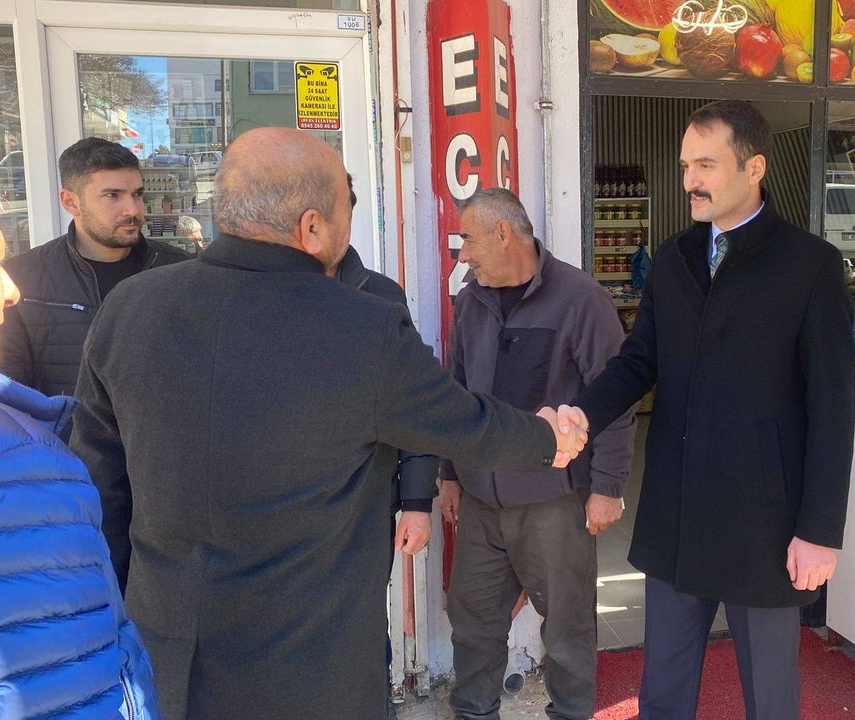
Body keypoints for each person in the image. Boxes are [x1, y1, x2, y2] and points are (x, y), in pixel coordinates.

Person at [68, 127, 587, 720]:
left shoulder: (128, 308)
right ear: (312, 227)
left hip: (164, 654)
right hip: (312, 664)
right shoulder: (363, 327)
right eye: (345, 211)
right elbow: (463, 423)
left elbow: (97, 490)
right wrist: (549, 437)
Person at [560, 99, 855, 719]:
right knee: (663, 694)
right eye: (685, 166)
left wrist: (820, 530)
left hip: (766, 523)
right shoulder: (672, 259)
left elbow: (833, 409)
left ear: (755, 168)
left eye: (705, 165)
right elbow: (638, 361)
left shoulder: (810, 266)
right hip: (677, 514)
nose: (689, 180)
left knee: (771, 698)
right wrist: (582, 415)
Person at [0, 151, 159, 719]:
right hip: (65, 491)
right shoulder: (0, 466)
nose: (9, 290)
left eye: (137, 193)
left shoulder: (172, 273)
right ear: (69, 202)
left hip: (146, 499)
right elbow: (31, 691)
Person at [439, 188, 636, 720]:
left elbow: (615, 398)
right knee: (473, 622)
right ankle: (473, 713)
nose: (464, 255)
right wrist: (450, 472)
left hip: (553, 502)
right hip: (481, 502)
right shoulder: (470, 302)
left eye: (468, 241)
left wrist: (607, 486)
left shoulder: (581, 300)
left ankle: (571, 713)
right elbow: (457, 393)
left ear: (504, 234)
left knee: (568, 629)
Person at [333, 176, 437, 719]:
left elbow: (414, 405)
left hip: (365, 507)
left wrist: (416, 502)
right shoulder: (253, 296)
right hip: (277, 510)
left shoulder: (380, 296)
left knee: (364, 630)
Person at [0, 137, 191, 398]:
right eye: (113, 195)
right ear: (70, 202)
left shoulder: (179, 271)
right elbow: (9, 393)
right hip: (64, 426)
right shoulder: (20, 280)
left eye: (137, 194)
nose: (132, 209)